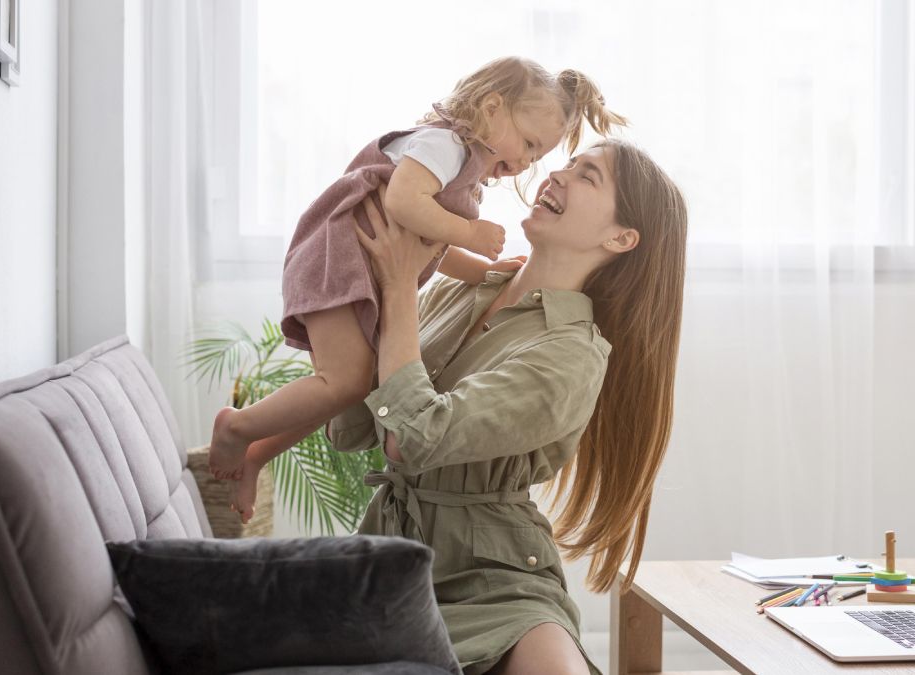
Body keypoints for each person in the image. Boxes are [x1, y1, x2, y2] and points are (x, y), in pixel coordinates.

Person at [322, 138, 687, 674]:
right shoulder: (457, 290)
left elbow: (410, 439)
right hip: (389, 557)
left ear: (621, 237)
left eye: (588, 176)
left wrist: (398, 287)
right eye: (567, 162)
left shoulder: (571, 354)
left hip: (496, 583)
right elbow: (348, 428)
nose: (559, 174)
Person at [206, 57, 626, 500]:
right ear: (491, 108)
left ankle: (256, 453)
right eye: (527, 143)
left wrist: (479, 271)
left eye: (537, 154)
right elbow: (403, 207)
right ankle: (237, 427)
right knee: (345, 382)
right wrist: (470, 234)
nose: (529, 164)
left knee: (345, 387)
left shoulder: (566, 353)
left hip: (355, 270)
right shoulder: (444, 147)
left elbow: (426, 249)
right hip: (337, 263)